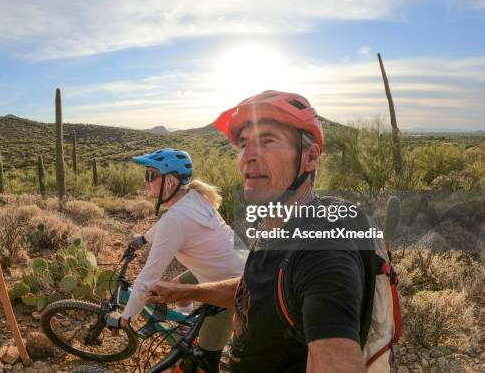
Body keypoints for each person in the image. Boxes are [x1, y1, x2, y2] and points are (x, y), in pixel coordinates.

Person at [145, 91, 397, 373]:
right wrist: (188, 290)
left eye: (268, 141)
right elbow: (256, 288)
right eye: (243, 145)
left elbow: (334, 354)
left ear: (310, 157)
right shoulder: (279, 226)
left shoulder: (322, 249)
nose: (248, 157)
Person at [119, 148, 246, 373]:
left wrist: (126, 317)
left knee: (202, 363)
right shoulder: (193, 196)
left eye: (150, 175)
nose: (145, 181)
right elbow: (167, 223)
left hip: (233, 286)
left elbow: (148, 279)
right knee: (177, 285)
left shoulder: (176, 219)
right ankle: (191, 329)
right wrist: (143, 238)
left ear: (170, 181)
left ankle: (204, 348)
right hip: (238, 264)